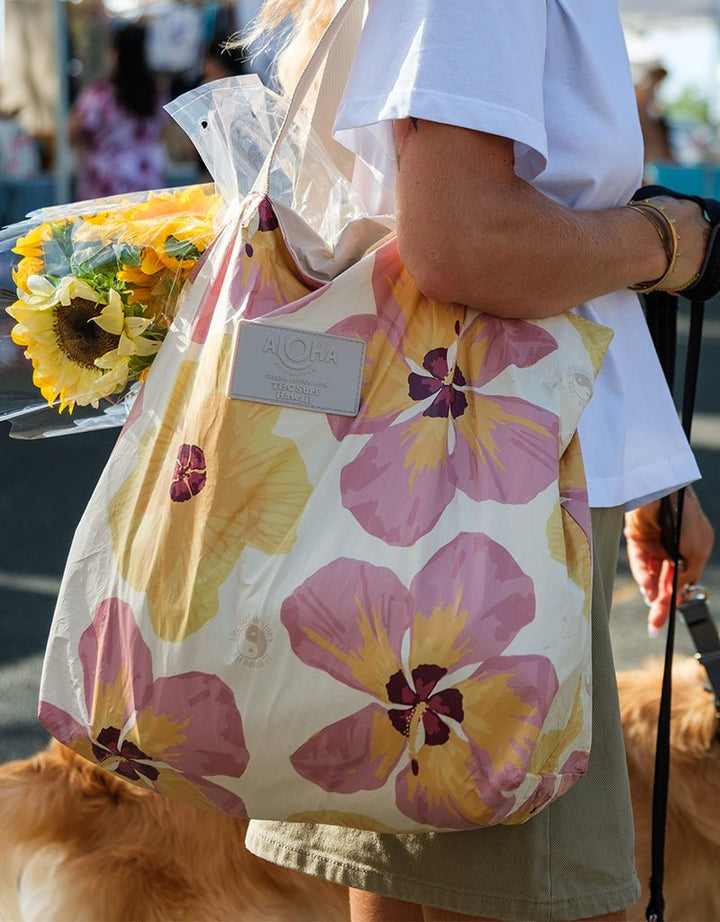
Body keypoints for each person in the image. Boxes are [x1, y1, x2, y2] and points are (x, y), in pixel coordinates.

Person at [241, 3, 715, 921]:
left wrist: (651, 471)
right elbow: (464, 240)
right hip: (496, 509)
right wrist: (666, 239)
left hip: (445, 484)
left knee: (422, 885)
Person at [68, 23, 165, 200]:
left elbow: (73, 132)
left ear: (115, 53)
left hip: (107, 185)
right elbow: (161, 132)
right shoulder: (155, 93)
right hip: (146, 181)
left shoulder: (100, 94)